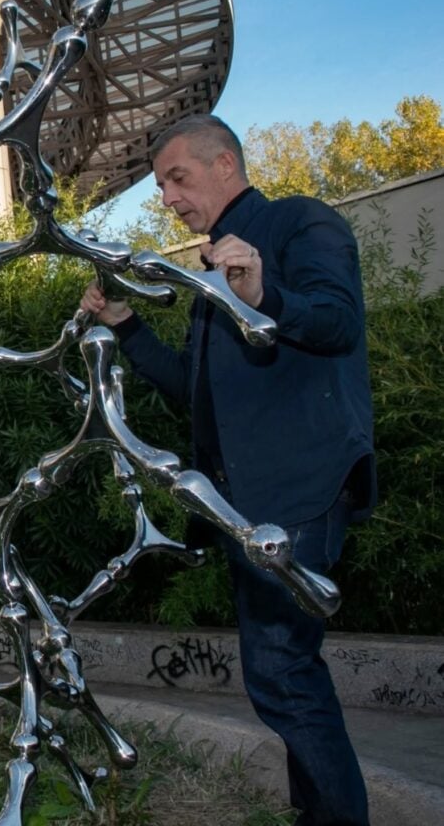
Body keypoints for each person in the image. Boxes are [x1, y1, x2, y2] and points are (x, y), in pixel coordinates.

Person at [81, 114, 376, 826]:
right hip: (246, 504)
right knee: (288, 672)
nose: (168, 198)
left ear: (224, 165)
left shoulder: (298, 223)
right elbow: (194, 388)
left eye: (177, 178)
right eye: (161, 186)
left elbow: (336, 321)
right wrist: (125, 324)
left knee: (280, 671)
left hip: (298, 487)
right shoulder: (217, 268)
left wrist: (263, 296)